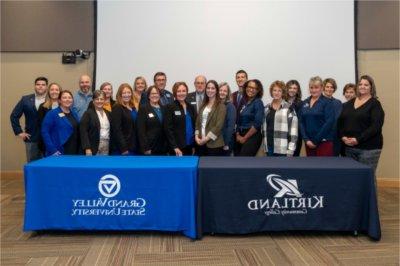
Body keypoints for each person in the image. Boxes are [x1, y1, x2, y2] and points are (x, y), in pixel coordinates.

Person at [338, 75, 385, 174]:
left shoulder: (375, 104)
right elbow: (340, 122)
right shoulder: (349, 103)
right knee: (351, 177)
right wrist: (343, 137)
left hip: (369, 149)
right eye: (360, 84)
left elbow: (376, 126)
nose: (362, 86)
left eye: (366, 85)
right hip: (349, 148)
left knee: (366, 178)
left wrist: (358, 139)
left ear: (371, 88)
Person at [10, 76, 48, 162]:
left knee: (47, 165)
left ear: (46, 87)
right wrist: (19, 132)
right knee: (32, 164)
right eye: (38, 84)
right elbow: (14, 116)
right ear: (34, 86)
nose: (40, 86)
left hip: (48, 138)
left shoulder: (51, 100)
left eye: (43, 84)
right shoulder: (25, 99)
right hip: (31, 138)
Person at [299, 76, 335, 156]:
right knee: (311, 167)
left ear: (322, 88)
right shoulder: (305, 102)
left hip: (324, 143)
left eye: (316, 87)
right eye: (311, 87)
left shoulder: (327, 102)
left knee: (324, 167)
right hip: (308, 143)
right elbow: (301, 122)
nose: (313, 90)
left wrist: (315, 140)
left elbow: (329, 123)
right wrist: (306, 139)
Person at [262, 81, 298, 156]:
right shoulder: (266, 108)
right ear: (271, 92)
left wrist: (291, 149)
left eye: (279, 90)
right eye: (274, 90)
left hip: (283, 149)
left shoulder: (289, 108)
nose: (277, 93)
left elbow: (294, 131)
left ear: (283, 92)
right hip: (269, 148)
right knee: (269, 168)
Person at [41, 90, 80, 156]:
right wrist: (52, 150)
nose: (67, 99)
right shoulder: (52, 113)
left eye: (70, 97)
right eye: (64, 98)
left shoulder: (74, 114)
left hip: (74, 150)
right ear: (59, 100)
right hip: (58, 151)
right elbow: (44, 132)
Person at [195, 80, 227, 156]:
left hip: (214, 145)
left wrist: (206, 139)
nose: (210, 90)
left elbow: (218, 127)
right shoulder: (203, 105)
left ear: (216, 91)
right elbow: (197, 123)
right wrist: (196, 136)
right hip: (200, 143)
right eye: (208, 88)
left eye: (213, 88)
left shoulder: (221, 106)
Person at [165, 82, 196, 156]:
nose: (181, 93)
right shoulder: (170, 107)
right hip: (177, 148)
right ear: (175, 92)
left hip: (190, 145)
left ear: (187, 92)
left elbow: (194, 126)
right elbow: (168, 129)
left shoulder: (191, 107)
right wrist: (174, 147)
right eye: (179, 91)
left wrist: (194, 145)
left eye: (183, 91)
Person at [234, 79, 264, 156]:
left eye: (254, 88)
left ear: (258, 91)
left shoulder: (258, 102)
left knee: (244, 163)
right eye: (249, 87)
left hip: (252, 137)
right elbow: (238, 121)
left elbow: (258, 123)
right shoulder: (245, 102)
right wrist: (237, 135)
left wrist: (244, 138)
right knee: (237, 162)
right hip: (240, 136)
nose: (251, 89)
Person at [137, 86, 168, 155]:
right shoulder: (143, 109)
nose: (154, 95)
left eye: (156, 93)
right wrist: (146, 147)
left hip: (163, 147)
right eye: (152, 93)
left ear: (159, 95)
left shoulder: (164, 109)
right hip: (149, 147)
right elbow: (141, 130)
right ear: (148, 96)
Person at [80, 90, 112, 155]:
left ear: (105, 100)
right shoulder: (88, 113)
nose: (99, 101)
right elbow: (83, 131)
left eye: (101, 99)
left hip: (107, 145)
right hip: (93, 147)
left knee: (104, 164)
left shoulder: (108, 113)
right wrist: (87, 148)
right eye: (97, 99)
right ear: (93, 101)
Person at [111, 83, 137, 155]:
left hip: (133, 147)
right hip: (122, 149)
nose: (126, 95)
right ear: (120, 94)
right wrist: (123, 148)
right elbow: (117, 130)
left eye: (128, 92)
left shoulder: (133, 108)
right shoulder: (117, 107)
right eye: (124, 93)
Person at [37, 82, 62, 153]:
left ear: (60, 92)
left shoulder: (65, 106)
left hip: (61, 141)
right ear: (49, 92)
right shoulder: (42, 107)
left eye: (57, 90)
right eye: (52, 90)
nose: (54, 92)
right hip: (47, 142)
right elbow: (41, 126)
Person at [323, 78, 343, 156]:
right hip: (322, 139)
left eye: (332, 87)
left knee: (334, 163)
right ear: (323, 88)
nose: (329, 89)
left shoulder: (338, 103)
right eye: (327, 86)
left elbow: (339, 121)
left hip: (336, 139)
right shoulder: (317, 102)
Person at [286, 79, 303, 156]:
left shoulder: (301, 104)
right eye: (290, 88)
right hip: (282, 134)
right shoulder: (281, 102)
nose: (292, 90)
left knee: (294, 159)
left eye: (294, 88)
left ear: (298, 90)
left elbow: (300, 121)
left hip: (295, 135)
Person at [219, 82, 236, 156]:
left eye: (225, 91)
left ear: (227, 93)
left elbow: (230, 127)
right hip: (216, 142)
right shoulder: (215, 105)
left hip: (226, 142)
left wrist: (225, 143)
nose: (222, 92)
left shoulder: (230, 106)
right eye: (220, 90)